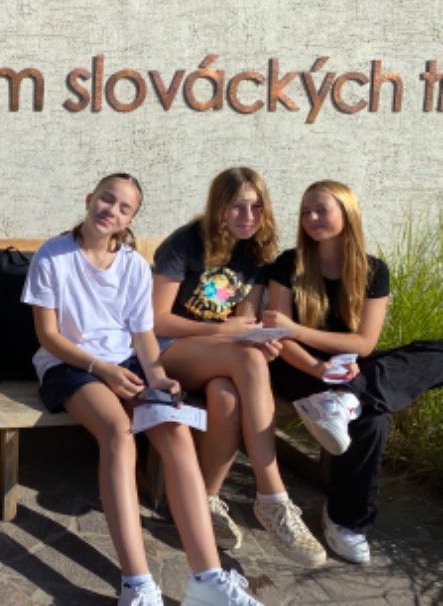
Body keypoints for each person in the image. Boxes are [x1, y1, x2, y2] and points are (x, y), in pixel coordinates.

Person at [24, 173, 260, 606]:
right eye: (106, 199)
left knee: (175, 431)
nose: (111, 210)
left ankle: (207, 580)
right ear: (89, 198)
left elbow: (142, 333)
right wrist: (101, 369)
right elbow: (48, 336)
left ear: (130, 219)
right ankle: (137, 584)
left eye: (124, 208)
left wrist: (157, 376)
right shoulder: (53, 256)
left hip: (128, 364)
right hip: (71, 365)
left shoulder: (133, 264)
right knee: (118, 433)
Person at [151, 167, 326, 567]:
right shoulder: (185, 244)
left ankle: (204, 500)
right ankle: (273, 496)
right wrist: (223, 332)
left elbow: (244, 317)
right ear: (219, 207)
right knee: (247, 359)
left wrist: (255, 337)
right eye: (238, 207)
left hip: (221, 354)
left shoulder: (255, 251)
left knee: (226, 397)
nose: (248, 217)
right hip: (169, 350)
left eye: (257, 207)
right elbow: (156, 320)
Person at [263, 180, 443, 565]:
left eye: (321, 209)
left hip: (349, 371)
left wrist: (299, 331)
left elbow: (363, 344)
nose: (311, 218)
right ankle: (348, 521)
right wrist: (316, 363)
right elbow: (279, 336)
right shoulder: (289, 264)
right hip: (298, 366)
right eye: (305, 211)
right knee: (374, 419)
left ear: (347, 213)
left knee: (435, 355)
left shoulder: (373, 270)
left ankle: (349, 401)